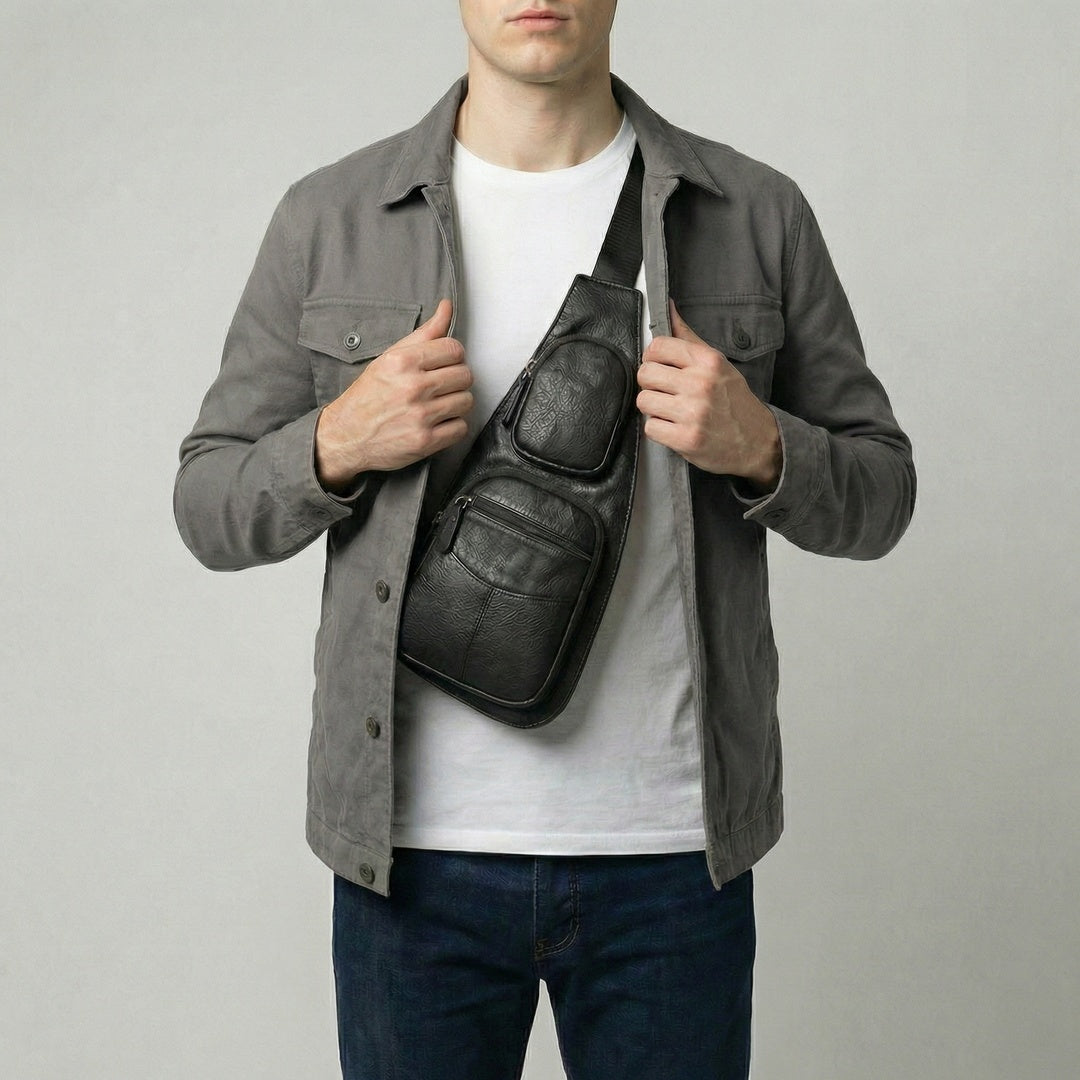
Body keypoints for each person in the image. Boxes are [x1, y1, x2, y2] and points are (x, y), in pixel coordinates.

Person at [173, 2, 915, 1077]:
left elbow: (883, 494)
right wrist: (336, 441)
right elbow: (208, 505)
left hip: (671, 860)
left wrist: (762, 444)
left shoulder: (754, 212)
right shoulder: (332, 217)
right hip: (412, 862)